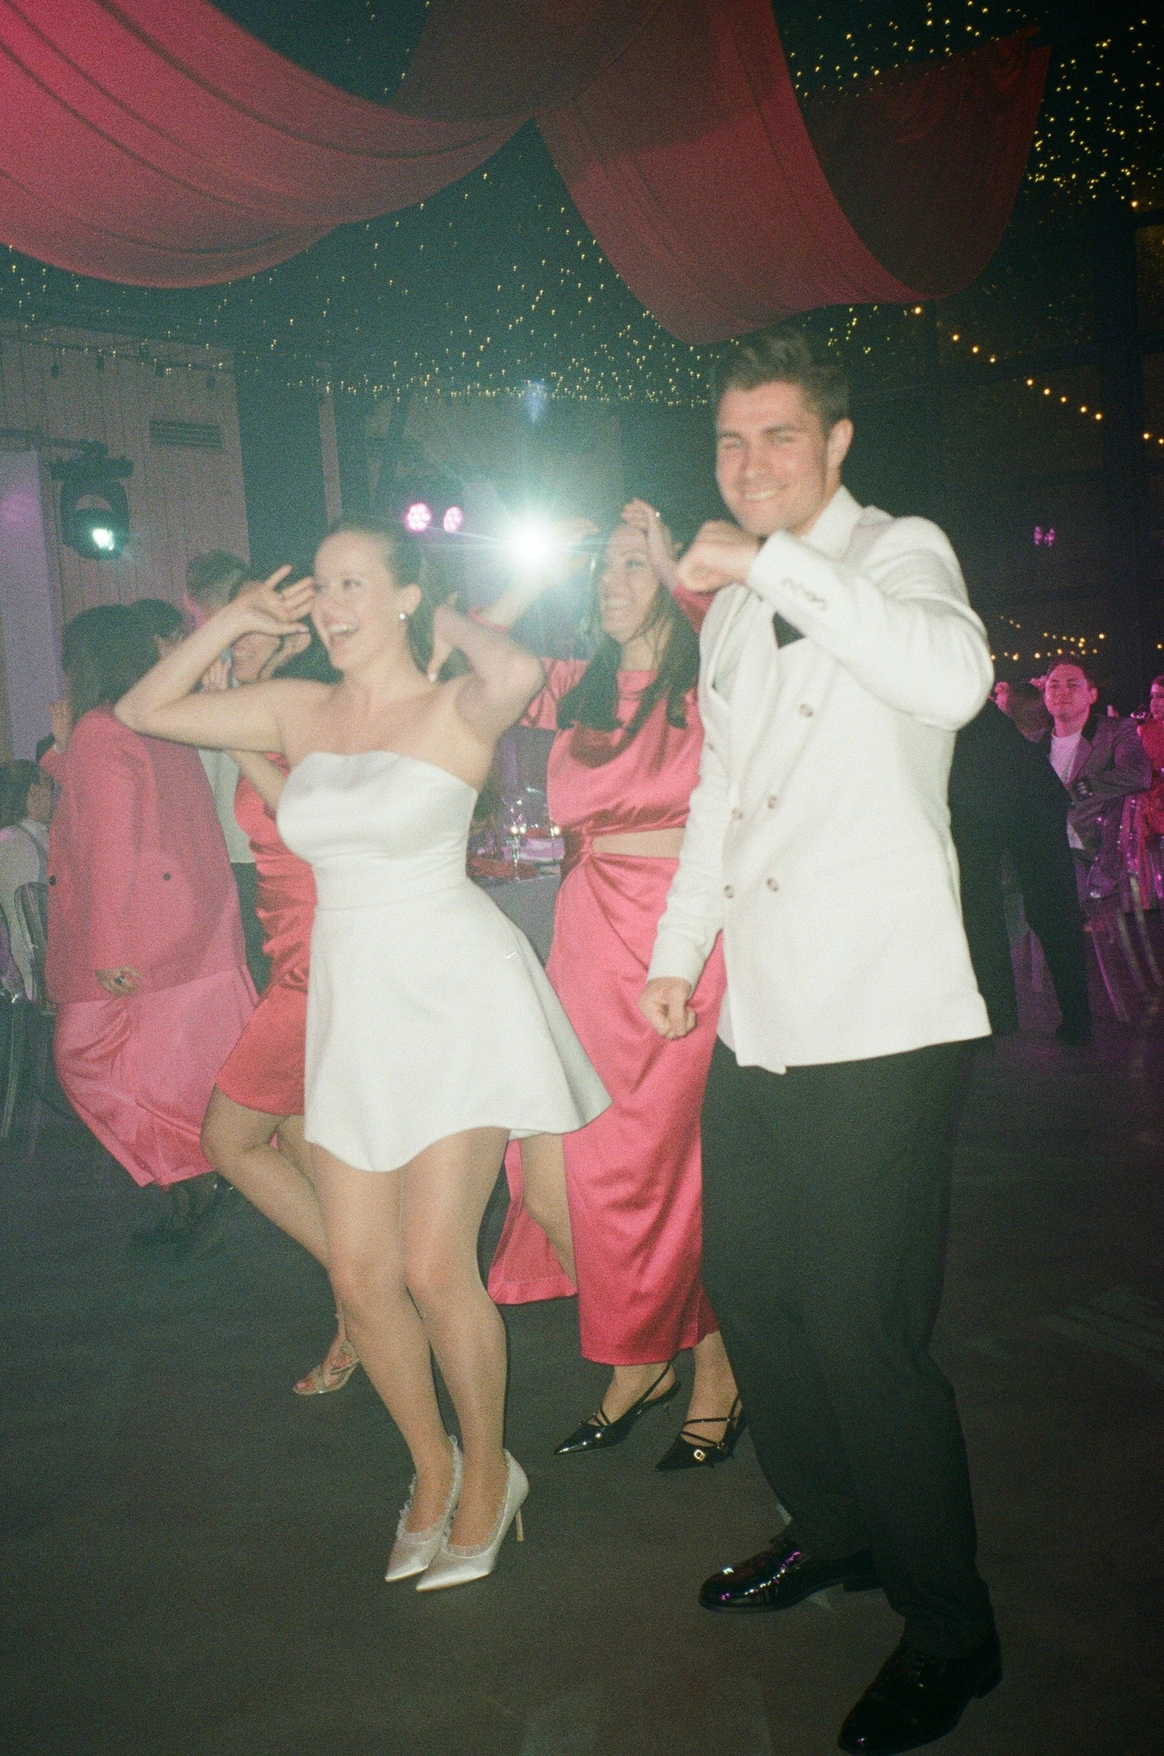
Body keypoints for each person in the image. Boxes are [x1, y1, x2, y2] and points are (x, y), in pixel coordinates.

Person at [115, 517, 608, 1592]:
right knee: (360, 1273)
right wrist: (235, 621)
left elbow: (518, 669)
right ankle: (431, 1470)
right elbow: (143, 710)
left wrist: (437, 614)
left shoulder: (454, 703)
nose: (331, 606)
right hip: (352, 1007)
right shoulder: (300, 707)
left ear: (402, 595)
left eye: (353, 585)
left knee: (435, 1266)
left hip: (454, 997)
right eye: (320, 586)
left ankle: (492, 1474)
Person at [639, 326, 998, 1755]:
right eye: (731, 441)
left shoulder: (899, 551)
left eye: (779, 435)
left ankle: (952, 1630)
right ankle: (836, 1528)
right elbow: (720, 801)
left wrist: (766, 561)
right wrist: (678, 957)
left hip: (883, 1013)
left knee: (862, 1328)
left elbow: (951, 682)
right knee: (754, 1291)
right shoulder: (732, 614)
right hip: (766, 1014)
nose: (750, 463)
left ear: (836, 442)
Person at [482, 501, 741, 1470]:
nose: (613, 580)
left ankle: (711, 1371)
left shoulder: (712, 677)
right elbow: (467, 652)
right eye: (605, 566)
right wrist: (537, 570)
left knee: (663, 1175)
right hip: (586, 939)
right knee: (554, 1170)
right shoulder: (574, 687)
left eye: (635, 565)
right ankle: (644, 1351)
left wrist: (674, 563)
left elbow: (739, 621)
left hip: (680, 945)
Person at [45, 606, 256, 1245]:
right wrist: (64, 753)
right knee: (185, 1071)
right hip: (193, 919)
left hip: (141, 931)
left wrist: (105, 946)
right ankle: (197, 1179)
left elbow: (111, 842)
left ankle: (199, 1175)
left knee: (87, 1059)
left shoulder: (101, 729)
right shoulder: (153, 719)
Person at [199, 609, 357, 1396]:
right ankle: (359, 1309)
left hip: (319, 962)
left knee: (228, 1140)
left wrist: (229, 730)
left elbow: (308, 822)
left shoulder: (316, 710)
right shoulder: (266, 712)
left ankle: (365, 1280)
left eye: (251, 630)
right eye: (229, 631)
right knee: (299, 1142)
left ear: (298, 635)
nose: (235, 646)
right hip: (289, 949)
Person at [949, 701, 1091, 1044]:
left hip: (980, 787)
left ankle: (993, 1020)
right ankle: (1075, 1018)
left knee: (980, 905)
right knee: (1051, 905)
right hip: (1024, 784)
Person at [185, 551, 269, 989]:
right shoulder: (252, 654)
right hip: (259, 836)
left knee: (255, 966)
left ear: (194, 602)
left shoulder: (201, 663)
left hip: (234, 840)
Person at [1040, 662, 1151, 899]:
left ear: (1092, 695)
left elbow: (1139, 774)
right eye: (1054, 686)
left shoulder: (1113, 732)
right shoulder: (1033, 744)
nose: (1061, 692)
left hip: (1087, 853)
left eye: (1072, 685)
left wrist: (1079, 790)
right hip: (1039, 849)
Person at [0, 760, 53, 997]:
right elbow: (28, 925)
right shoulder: (16, 843)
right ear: (33, 791)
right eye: (48, 784)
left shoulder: (25, 838)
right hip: (39, 984)